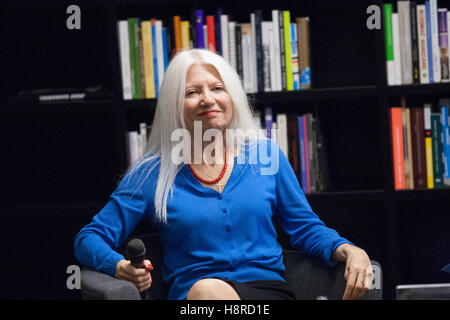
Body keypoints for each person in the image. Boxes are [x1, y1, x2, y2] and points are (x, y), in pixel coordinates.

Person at [74, 49, 373, 300]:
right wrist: (118, 266)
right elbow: (88, 238)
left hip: (267, 294)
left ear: (232, 97)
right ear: (173, 107)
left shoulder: (265, 156)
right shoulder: (152, 172)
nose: (208, 99)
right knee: (208, 291)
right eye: (192, 92)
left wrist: (349, 249)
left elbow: (305, 228)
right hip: (196, 298)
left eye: (217, 88)